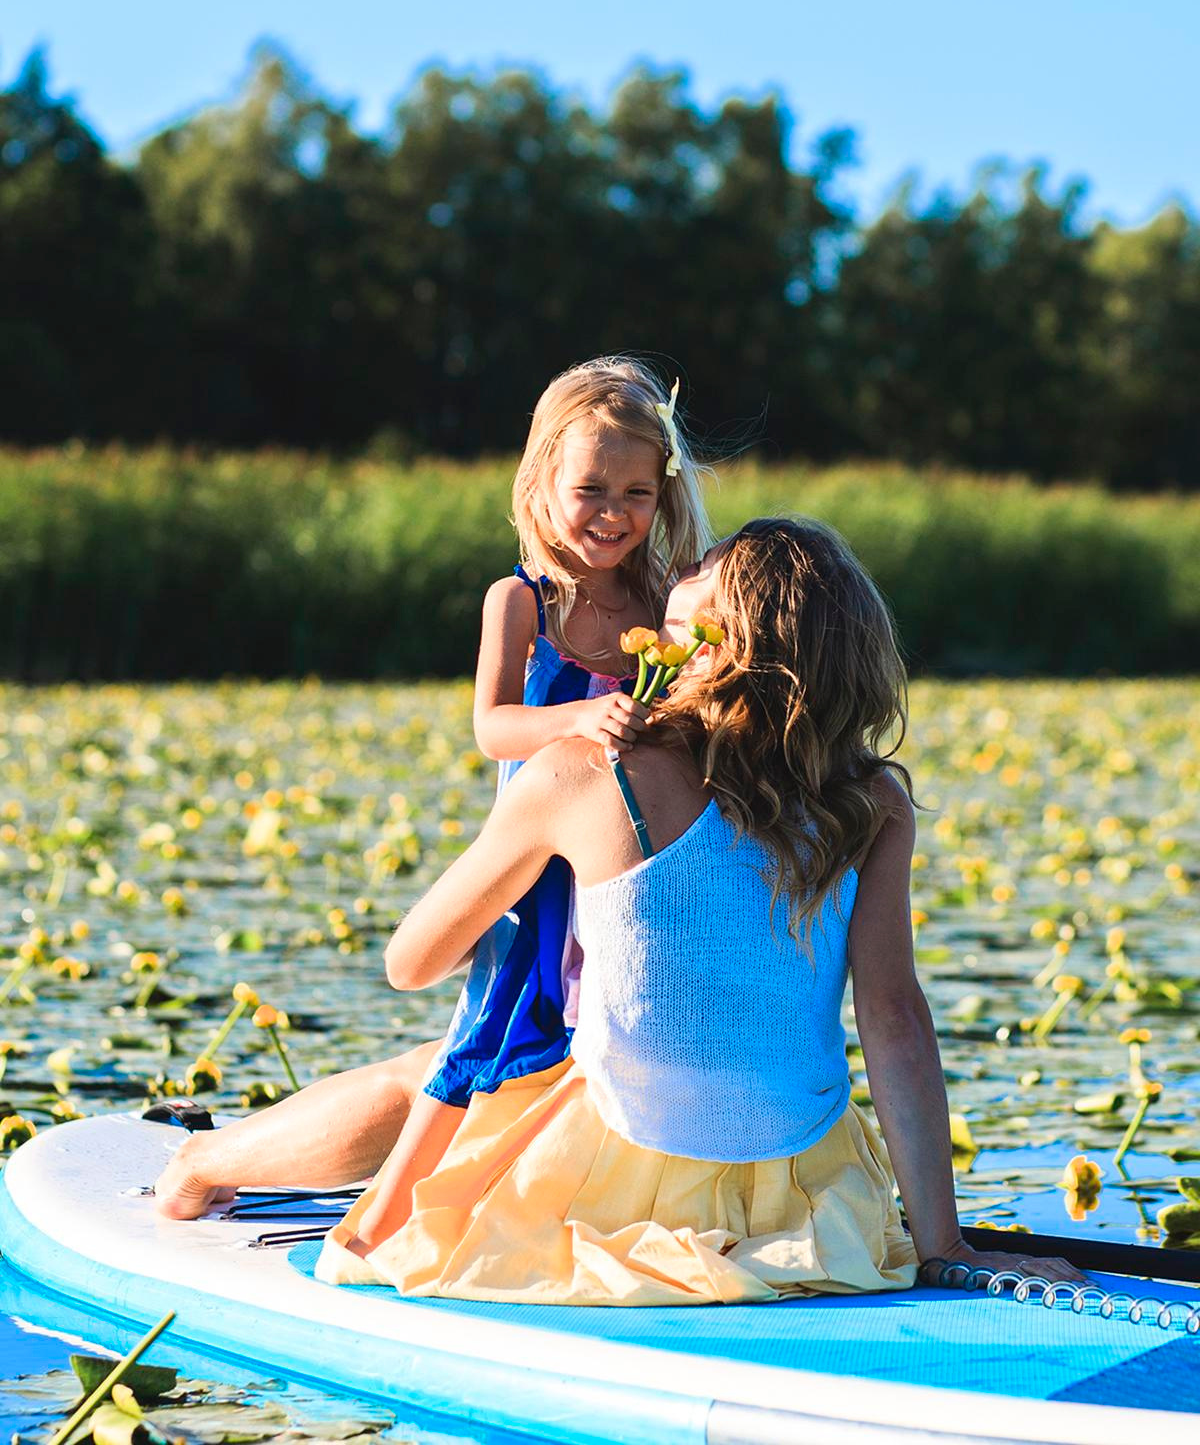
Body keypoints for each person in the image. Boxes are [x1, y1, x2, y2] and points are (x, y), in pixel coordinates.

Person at [314, 519, 1079, 1301]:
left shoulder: (582, 771)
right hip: (805, 1204)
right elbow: (893, 1019)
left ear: (716, 640)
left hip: (607, 1193)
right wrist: (943, 1244)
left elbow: (410, 964)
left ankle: (225, 1163)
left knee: (433, 1073)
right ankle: (224, 1161)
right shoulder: (871, 800)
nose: (679, 568)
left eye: (703, 566)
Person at [155, 356, 710, 1224]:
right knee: (477, 1056)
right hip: (535, 879)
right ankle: (217, 1166)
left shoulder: (670, 601)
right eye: (591, 489)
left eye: (637, 493)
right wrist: (578, 721)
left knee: (560, 1066)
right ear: (542, 483)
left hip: (627, 881)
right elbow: (493, 726)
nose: (614, 513)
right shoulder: (522, 602)